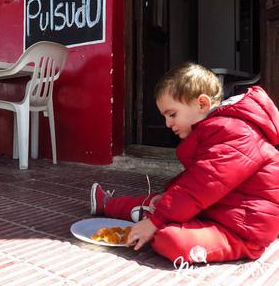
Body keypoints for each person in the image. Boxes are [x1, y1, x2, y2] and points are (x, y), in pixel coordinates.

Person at [91, 63, 279, 264]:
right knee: (163, 201)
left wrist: (156, 221)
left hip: (242, 231)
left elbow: (201, 185)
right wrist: (166, 200)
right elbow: (195, 180)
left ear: (202, 104)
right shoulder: (219, 130)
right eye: (165, 117)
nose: (168, 124)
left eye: (172, 115)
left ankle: (146, 217)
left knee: (169, 238)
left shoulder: (236, 133)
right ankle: (107, 205)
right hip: (217, 209)